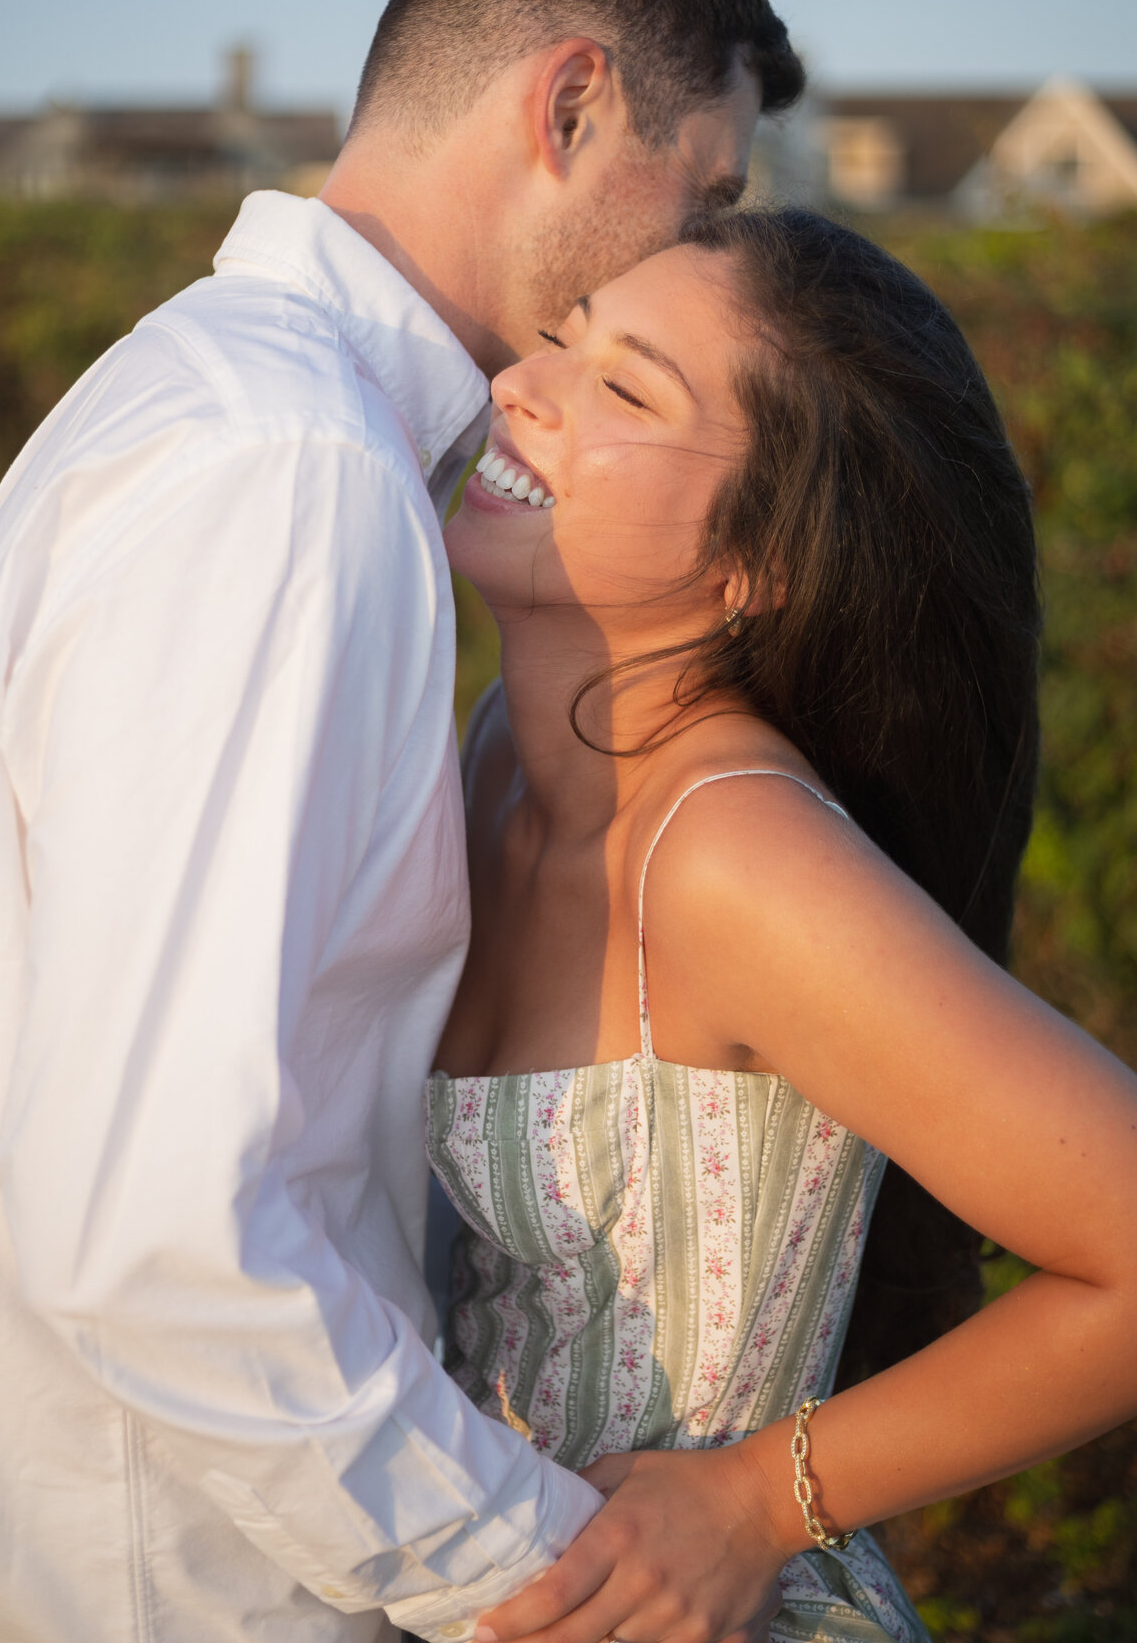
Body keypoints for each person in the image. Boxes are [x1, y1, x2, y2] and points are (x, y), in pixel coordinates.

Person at [0, 0, 804, 1643]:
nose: (700, 250)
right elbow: (159, 1228)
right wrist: (546, 1576)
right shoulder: (293, 470)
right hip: (173, 1578)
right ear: (571, 103)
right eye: (699, 190)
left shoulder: (194, 393)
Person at [430, 208, 1137, 1643]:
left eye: (626, 388)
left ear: (758, 566)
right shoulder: (499, 742)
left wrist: (756, 1502)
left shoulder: (732, 853)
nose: (523, 385)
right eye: (563, 334)